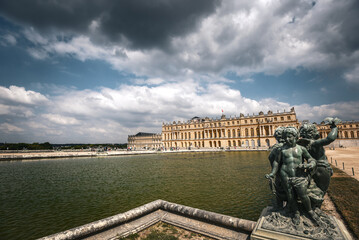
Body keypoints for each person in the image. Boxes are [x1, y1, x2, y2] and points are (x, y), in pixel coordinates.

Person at [266, 127, 321, 225]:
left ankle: (310, 211)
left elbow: (311, 159)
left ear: (296, 137)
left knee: (303, 195)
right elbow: (276, 162)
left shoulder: (301, 149)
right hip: (285, 175)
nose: (287, 139)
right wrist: (272, 173)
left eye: (290, 137)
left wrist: (310, 164)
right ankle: (296, 212)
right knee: (290, 196)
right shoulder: (281, 149)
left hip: (298, 176)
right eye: (286, 137)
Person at [298, 117, 341, 198]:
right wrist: (334, 127)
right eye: (315, 130)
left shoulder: (303, 145)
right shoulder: (314, 143)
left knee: (313, 190)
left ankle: (311, 206)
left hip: (311, 168)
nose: (317, 131)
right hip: (322, 168)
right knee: (322, 190)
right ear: (312, 133)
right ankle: (316, 207)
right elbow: (330, 138)